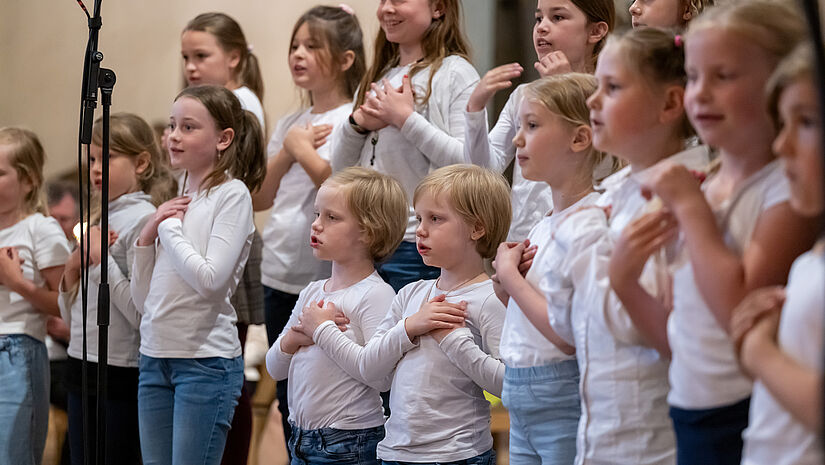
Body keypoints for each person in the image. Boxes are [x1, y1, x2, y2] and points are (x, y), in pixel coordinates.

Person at [297, 165, 510, 464]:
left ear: (477, 228)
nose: (421, 230)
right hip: (395, 452)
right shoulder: (411, 294)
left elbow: (510, 385)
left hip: (457, 455)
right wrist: (409, 328)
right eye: (420, 218)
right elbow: (372, 371)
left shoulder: (490, 297)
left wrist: (453, 342)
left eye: (435, 219)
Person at [130, 85, 265, 465]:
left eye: (188, 127)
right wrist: (145, 237)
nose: (173, 135)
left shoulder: (232, 195)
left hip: (203, 362)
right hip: (155, 355)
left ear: (223, 139)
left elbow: (210, 281)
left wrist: (167, 229)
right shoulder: (175, 193)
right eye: (172, 125)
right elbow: (145, 302)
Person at [333, 0, 480, 291]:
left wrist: (404, 118)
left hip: (416, 244)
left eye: (399, 0)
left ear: (438, 7)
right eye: (383, 0)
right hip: (365, 240)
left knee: (409, 335)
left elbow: (469, 165)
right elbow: (340, 171)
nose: (387, 9)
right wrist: (357, 124)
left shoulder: (455, 73)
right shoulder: (379, 74)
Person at [266, 167, 407, 464]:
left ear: (369, 231)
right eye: (317, 214)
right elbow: (275, 368)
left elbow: (381, 377)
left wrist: (321, 331)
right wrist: (294, 337)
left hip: (350, 440)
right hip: (300, 438)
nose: (316, 225)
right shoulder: (312, 291)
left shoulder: (376, 295)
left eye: (332, 217)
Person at [59, 113, 176, 465]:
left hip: (119, 367)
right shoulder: (96, 219)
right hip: (80, 358)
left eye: (107, 158)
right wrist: (71, 267)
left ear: (141, 162)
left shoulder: (145, 220)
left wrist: (97, 261)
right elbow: (70, 314)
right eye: (92, 158)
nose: (95, 168)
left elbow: (141, 313)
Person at [464, 0, 613, 241]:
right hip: (524, 237)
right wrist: (475, 111)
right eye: (538, 18)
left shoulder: (608, 95)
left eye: (558, 18)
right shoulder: (524, 95)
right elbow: (484, 170)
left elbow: (607, 165)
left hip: (583, 233)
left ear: (595, 31)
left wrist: (568, 89)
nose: (542, 27)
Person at [0, 127, 70, 465]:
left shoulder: (40, 229)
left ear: (27, 180)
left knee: (12, 454)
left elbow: (63, 304)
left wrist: (18, 283)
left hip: (16, 352)